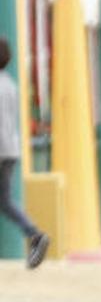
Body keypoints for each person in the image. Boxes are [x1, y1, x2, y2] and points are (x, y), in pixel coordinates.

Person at [0, 37, 49, 269]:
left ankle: (35, 234)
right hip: (10, 150)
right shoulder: (9, 84)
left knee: (5, 201)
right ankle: (35, 234)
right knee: (5, 201)